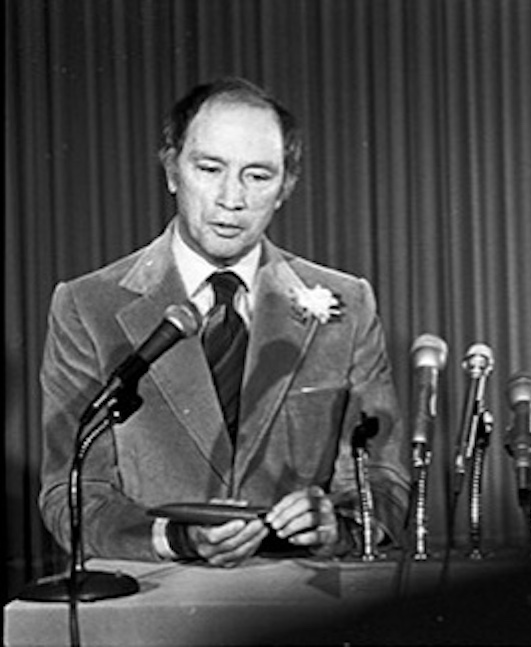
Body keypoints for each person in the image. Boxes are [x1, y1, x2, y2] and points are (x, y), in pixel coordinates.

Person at [38, 77, 410, 567]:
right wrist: (174, 538)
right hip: (156, 610)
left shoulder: (348, 303)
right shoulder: (87, 307)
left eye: (258, 176)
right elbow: (72, 494)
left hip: (303, 608)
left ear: (286, 187)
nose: (231, 198)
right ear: (172, 170)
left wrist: (338, 526)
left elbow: (384, 478)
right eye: (210, 168)